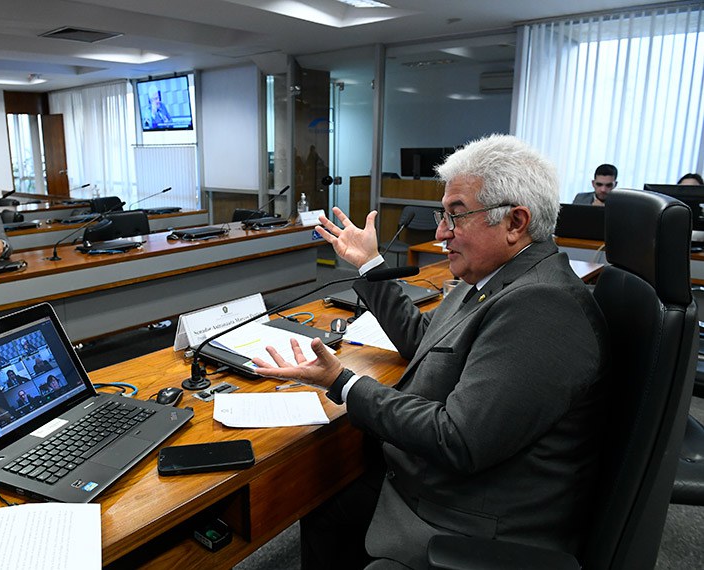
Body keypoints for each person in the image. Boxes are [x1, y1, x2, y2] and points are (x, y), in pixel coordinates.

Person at [252, 135, 608, 569]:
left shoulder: (543, 306)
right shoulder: (495, 277)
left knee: (326, 496)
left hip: (468, 519)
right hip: (434, 480)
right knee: (324, 506)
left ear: (515, 222)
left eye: (456, 216)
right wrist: (369, 264)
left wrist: (343, 383)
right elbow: (425, 340)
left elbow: (458, 438)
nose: (441, 232)